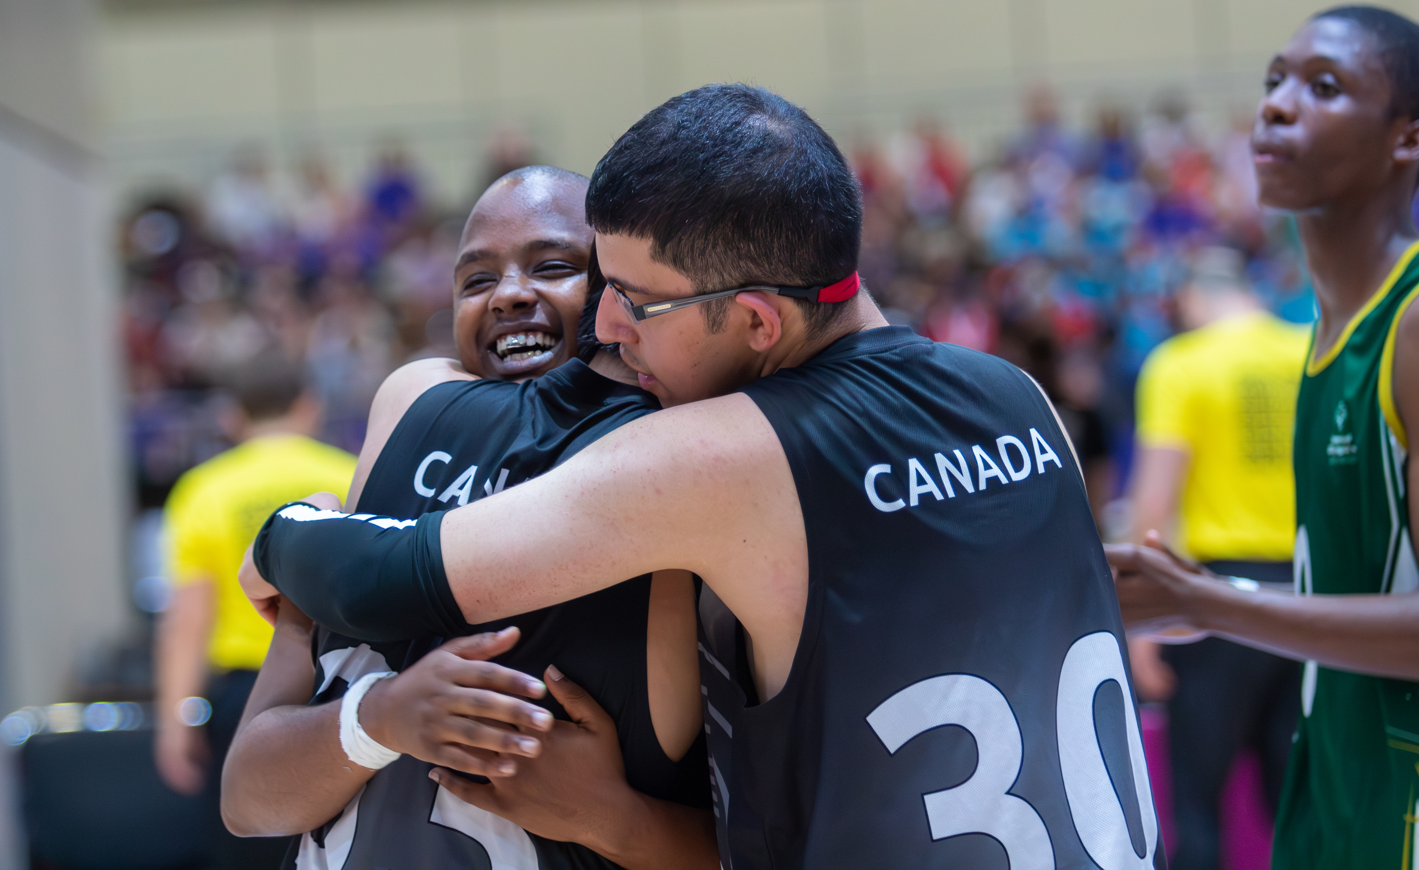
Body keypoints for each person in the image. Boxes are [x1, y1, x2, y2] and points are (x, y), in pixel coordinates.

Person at [244, 84, 1162, 868]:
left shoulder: (724, 453)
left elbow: (388, 579)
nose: (608, 327)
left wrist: (288, 528)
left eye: (633, 299)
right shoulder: (1016, 395)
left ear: (759, 322)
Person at [222, 166, 715, 869]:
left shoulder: (679, 465)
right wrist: (380, 717)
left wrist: (617, 821)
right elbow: (246, 799)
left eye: (552, 266)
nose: (511, 294)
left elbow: (774, 841)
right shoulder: (408, 412)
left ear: (619, 298)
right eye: (476, 281)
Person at [1105, 6, 1419, 869]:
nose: (1277, 105)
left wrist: (1203, 602)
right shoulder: (1324, 328)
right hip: (1342, 756)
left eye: (1323, 88)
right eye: (1274, 80)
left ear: (1409, 139)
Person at [1126, 245, 1308, 869]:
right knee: (1298, 809)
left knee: (1198, 808)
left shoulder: (1181, 363)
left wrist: (1141, 626)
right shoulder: (1311, 353)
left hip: (1217, 602)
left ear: (1192, 299)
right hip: (1315, 602)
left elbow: (1154, 503)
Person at [156, 348, 356, 868]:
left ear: (232, 415)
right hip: (340, 687)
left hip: (245, 700)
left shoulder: (203, 490)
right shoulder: (352, 474)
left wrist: (177, 720)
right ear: (309, 406)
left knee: (249, 847)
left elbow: (188, 621)